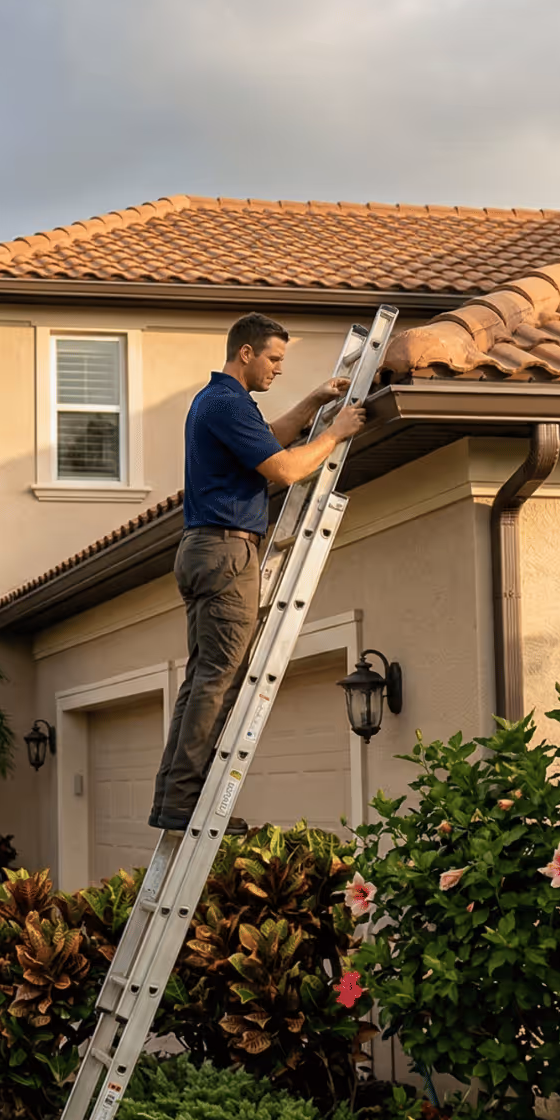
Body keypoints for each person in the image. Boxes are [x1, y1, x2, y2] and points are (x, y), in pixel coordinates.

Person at [149, 312, 367, 832]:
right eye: (273, 358)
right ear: (245, 353)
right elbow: (286, 467)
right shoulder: (226, 403)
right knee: (221, 679)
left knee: (203, 678)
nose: (278, 369)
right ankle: (187, 802)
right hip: (226, 551)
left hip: (204, 548)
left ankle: (173, 798)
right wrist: (334, 433)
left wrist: (314, 405)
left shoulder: (217, 402)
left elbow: (268, 437)